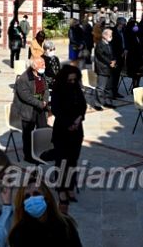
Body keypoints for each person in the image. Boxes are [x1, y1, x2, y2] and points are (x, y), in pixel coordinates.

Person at [50, 65, 86, 208]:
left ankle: (70, 187)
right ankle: (61, 189)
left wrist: (78, 119)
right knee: (61, 163)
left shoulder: (76, 88)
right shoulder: (58, 90)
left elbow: (83, 105)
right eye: (70, 80)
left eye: (74, 80)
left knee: (72, 161)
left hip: (77, 131)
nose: (72, 82)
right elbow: (56, 109)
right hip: (62, 131)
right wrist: (68, 123)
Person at [8, 177, 82, 246]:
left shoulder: (66, 225)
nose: (32, 199)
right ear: (22, 203)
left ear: (47, 198)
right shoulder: (18, 234)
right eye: (27, 196)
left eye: (36, 194)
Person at [11, 57, 49, 163]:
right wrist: (41, 104)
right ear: (34, 66)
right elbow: (26, 97)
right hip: (28, 109)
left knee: (42, 130)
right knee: (28, 133)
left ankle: (42, 152)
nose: (44, 66)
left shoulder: (41, 75)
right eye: (42, 65)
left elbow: (46, 89)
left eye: (44, 64)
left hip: (40, 106)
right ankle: (28, 155)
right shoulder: (23, 79)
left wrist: (45, 101)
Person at [93, 28, 115, 110]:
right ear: (104, 35)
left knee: (109, 88)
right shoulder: (100, 44)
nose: (111, 37)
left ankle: (108, 102)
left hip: (110, 68)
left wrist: (114, 61)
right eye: (110, 35)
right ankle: (97, 104)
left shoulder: (109, 44)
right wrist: (110, 62)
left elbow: (112, 54)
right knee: (100, 88)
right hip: (102, 68)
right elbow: (101, 56)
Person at [124, 18, 143, 88]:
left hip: (139, 57)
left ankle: (137, 85)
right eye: (134, 25)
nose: (136, 27)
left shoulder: (139, 35)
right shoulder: (129, 35)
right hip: (132, 57)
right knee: (134, 73)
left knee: (139, 72)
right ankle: (134, 86)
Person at [110, 17, 127, 98]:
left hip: (122, 55)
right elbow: (112, 45)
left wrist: (125, 49)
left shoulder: (123, 31)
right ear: (120, 23)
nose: (125, 24)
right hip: (115, 56)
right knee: (114, 75)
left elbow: (124, 42)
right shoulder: (113, 31)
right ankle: (112, 92)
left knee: (117, 75)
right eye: (124, 23)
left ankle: (115, 91)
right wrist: (113, 58)